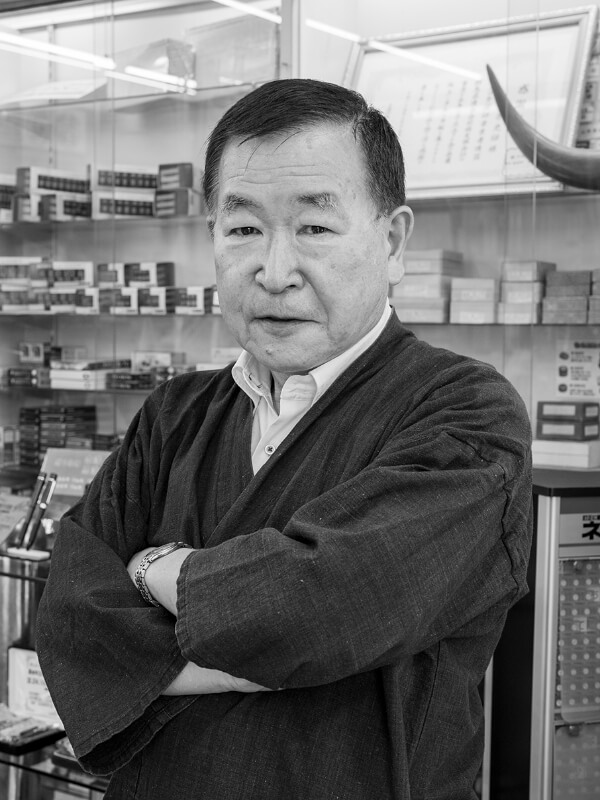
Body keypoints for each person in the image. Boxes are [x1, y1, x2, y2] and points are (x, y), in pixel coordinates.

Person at [36, 78, 532, 800]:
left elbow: (320, 606)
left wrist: (153, 571)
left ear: (393, 242)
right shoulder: (175, 413)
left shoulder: (465, 414)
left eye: (315, 228)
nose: (273, 272)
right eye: (243, 229)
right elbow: (70, 620)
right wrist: (258, 638)